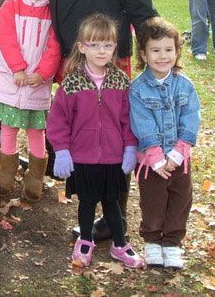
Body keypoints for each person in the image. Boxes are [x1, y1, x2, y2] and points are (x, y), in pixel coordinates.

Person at [49, 0, 157, 241]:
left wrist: (155, 40)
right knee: (84, 131)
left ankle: (116, 219)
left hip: (105, 53)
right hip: (74, 53)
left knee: (113, 133)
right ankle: (89, 205)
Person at [47, 14, 143, 269]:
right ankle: (86, 240)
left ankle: (120, 244)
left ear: (115, 48)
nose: (101, 51)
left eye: (107, 45)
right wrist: (62, 151)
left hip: (113, 156)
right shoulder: (71, 84)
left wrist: (130, 147)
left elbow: (128, 119)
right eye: (94, 45)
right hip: (83, 156)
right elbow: (58, 121)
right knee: (87, 202)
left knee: (112, 203)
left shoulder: (121, 82)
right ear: (82, 47)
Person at [0, 0, 62, 202]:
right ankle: (7, 170)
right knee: (9, 125)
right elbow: (5, 38)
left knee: (37, 130)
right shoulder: (11, 6)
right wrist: (16, 68)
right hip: (10, 79)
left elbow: (55, 45)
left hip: (37, 83)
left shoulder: (52, 11)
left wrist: (42, 74)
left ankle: (36, 176)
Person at [130, 17, 200, 269]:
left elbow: (191, 119)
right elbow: (142, 123)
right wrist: (157, 157)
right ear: (144, 54)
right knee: (153, 202)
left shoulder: (185, 85)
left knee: (180, 201)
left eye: (168, 50)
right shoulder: (137, 90)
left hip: (179, 159)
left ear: (177, 51)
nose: (162, 56)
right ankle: (152, 241)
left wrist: (179, 153)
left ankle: (172, 243)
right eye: (155, 50)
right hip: (151, 162)